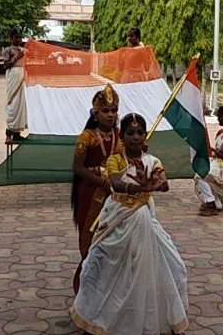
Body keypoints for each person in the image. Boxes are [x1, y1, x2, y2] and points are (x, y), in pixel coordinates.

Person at [70, 113, 189, 335]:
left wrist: (156, 184)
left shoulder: (152, 161)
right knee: (100, 264)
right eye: (130, 133)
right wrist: (139, 188)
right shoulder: (115, 160)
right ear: (122, 137)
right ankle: (97, 318)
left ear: (145, 136)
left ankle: (152, 318)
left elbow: (163, 183)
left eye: (140, 132)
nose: (136, 137)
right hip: (118, 217)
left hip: (144, 218)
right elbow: (115, 183)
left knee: (171, 265)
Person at [70, 84, 122, 294]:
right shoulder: (87, 137)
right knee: (91, 235)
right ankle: (86, 285)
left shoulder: (121, 135)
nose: (110, 115)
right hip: (90, 193)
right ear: (95, 113)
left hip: (117, 193)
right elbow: (78, 168)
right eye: (105, 111)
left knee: (113, 237)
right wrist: (102, 182)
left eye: (114, 110)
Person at [3, 29, 27, 144]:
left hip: (22, 77)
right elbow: (6, 65)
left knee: (20, 105)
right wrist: (17, 57)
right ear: (10, 38)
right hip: (13, 77)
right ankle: (8, 133)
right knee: (12, 103)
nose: (18, 39)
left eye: (20, 37)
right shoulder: (7, 50)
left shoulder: (23, 50)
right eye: (16, 37)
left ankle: (17, 134)